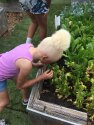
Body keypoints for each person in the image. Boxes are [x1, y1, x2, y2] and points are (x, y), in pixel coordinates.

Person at [0, 29, 71, 112]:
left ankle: (25, 100)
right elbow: (19, 86)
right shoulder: (26, 66)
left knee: (24, 81)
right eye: (49, 62)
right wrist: (41, 77)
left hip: (6, 65)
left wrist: (35, 64)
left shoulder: (29, 46)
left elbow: (24, 59)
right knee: (4, 102)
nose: (47, 63)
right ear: (44, 58)